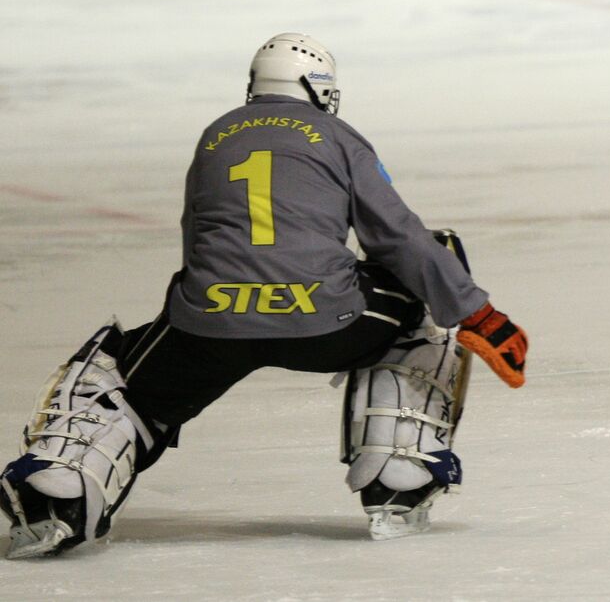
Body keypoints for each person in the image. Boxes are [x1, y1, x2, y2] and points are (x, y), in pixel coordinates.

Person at [0, 33, 528, 559]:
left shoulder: (216, 135)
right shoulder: (338, 136)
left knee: (122, 373)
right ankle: (399, 467)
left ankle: (60, 485)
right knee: (432, 265)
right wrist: (478, 313)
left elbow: (199, 242)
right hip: (331, 326)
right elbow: (398, 238)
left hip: (210, 330)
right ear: (319, 87)